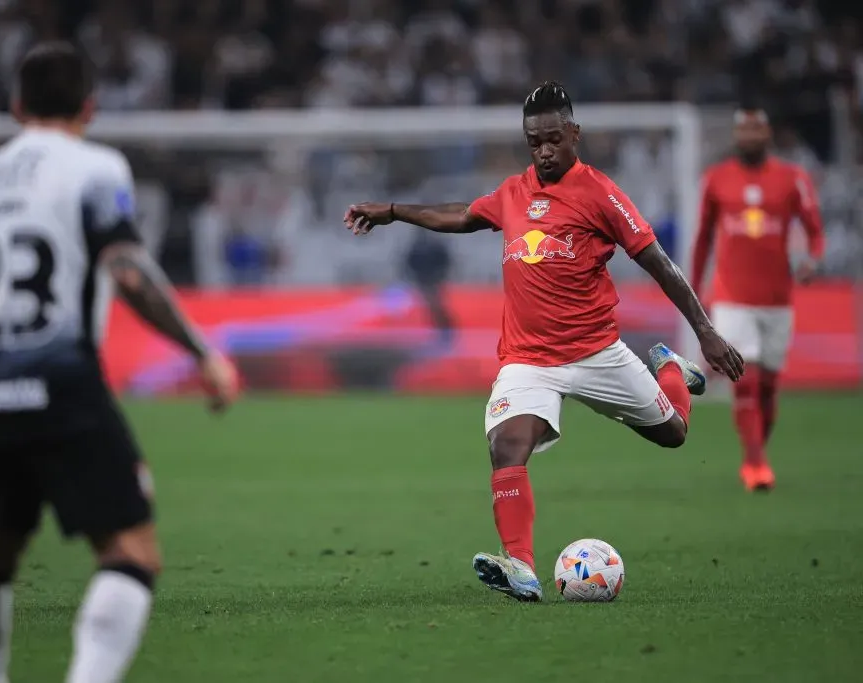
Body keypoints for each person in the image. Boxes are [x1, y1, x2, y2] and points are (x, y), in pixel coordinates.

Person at [0, 42, 238, 683]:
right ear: (91, 106)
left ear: (15, 106)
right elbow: (129, 273)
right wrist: (202, 353)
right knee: (131, 553)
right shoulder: (95, 168)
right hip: (62, 379)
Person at [344, 81, 744, 602]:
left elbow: (656, 261)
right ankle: (522, 568)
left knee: (673, 433)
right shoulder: (514, 192)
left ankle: (669, 369)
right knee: (506, 445)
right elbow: (463, 215)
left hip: (597, 351)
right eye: (534, 142)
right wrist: (394, 210)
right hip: (527, 360)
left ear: (574, 134)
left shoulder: (600, 193)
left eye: (554, 139)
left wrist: (705, 331)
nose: (544, 151)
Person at [691, 107, 824, 492]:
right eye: (743, 130)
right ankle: (755, 465)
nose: (749, 136)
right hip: (731, 297)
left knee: (767, 386)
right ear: (736, 135)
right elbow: (702, 239)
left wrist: (813, 260)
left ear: (768, 134)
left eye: (756, 129)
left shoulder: (792, 179)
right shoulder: (716, 180)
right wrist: (695, 287)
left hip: (777, 299)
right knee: (745, 379)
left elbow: (815, 230)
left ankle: (756, 450)